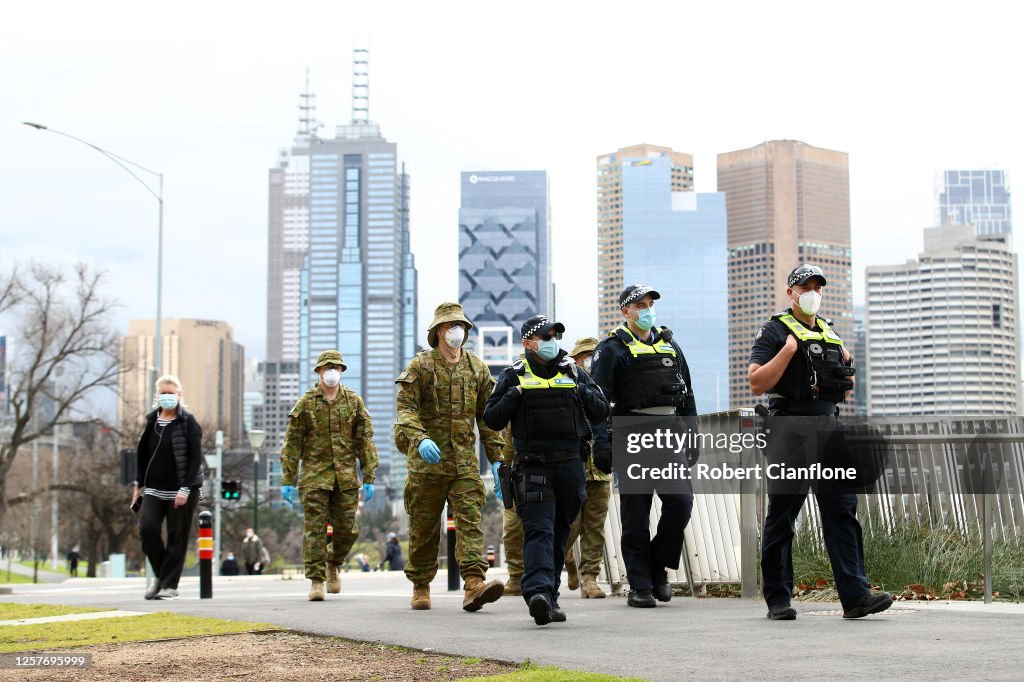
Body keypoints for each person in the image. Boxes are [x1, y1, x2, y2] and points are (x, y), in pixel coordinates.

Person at [749, 264, 893, 620]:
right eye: (805, 287)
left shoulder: (830, 332)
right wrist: (787, 351)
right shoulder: (774, 330)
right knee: (783, 515)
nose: (812, 292)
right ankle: (778, 598)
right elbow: (756, 382)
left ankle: (856, 596)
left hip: (829, 428)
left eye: (817, 287)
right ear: (791, 293)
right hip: (789, 428)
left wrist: (846, 370)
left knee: (842, 512)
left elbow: (845, 387)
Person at [484, 315, 610, 625]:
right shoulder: (514, 374)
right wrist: (514, 397)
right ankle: (537, 592)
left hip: (570, 465)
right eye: (545, 336)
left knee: (559, 531)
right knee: (539, 528)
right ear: (528, 342)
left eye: (555, 335)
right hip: (532, 466)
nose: (552, 340)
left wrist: (583, 389)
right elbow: (492, 418)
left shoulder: (573, 371)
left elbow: (601, 409)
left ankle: (549, 596)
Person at [393, 302, 507, 612]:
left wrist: (496, 459)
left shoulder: (476, 368)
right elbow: (406, 409)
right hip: (426, 463)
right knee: (424, 527)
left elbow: (488, 416)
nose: (457, 331)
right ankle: (420, 584)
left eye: (461, 326)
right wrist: (420, 438)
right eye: (451, 326)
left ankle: (473, 583)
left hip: (464, 464)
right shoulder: (421, 366)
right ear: (439, 331)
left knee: (470, 521)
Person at [591, 285, 697, 608]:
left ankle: (657, 566)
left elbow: (687, 395)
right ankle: (640, 585)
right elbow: (598, 403)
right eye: (640, 305)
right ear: (626, 312)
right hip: (631, 434)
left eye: (650, 304)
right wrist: (602, 444)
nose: (648, 309)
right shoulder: (611, 349)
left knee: (681, 503)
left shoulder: (670, 346)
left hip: (668, 434)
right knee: (636, 514)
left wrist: (692, 435)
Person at [280, 349, 378, 602]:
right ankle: (316, 580)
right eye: (327, 368)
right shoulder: (306, 403)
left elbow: (364, 440)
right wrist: (288, 480)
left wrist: (369, 475)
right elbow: (292, 444)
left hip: (345, 477)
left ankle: (333, 563)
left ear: (342, 372)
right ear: (319, 372)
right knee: (315, 530)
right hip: (314, 477)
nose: (332, 372)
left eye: (336, 367)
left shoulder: (354, 402)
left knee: (348, 530)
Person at [131, 374, 204, 601]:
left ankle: (169, 585)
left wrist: (184, 489)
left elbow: (195, 458)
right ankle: (162, 577)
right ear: (157, 395)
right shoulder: (152, 421)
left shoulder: (188, 422)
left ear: (179, 395)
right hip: (154, 488)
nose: (167, 397)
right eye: (163, 393)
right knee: (147, 529)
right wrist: (138, 484)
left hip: (182, 489)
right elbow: (143, 455)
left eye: (171, 393)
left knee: (177, 537)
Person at [563, 337, 612, 599]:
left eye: (594, 355)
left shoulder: (606, 388)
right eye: (585, 356)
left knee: (595, 526)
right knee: (570, 524)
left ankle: (590, 579)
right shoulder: (568, 386)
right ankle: (559, 562)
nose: (590, 361)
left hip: (600, 468)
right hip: (573, 466)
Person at [499, 426, 524, 595]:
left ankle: (568, 559)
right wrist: (502, 470)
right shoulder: (516, 398)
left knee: (570, 526)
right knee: (512, 528)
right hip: (520, 469)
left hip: (564, 462)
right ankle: (516, 577)